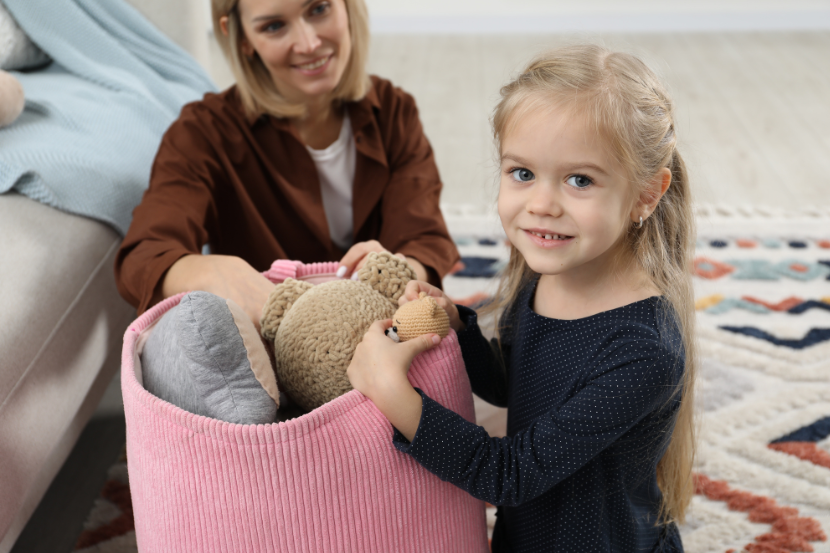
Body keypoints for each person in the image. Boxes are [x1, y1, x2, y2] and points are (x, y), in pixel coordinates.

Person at [347, 44, 697, 552]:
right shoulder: (547, 276)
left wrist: (390, 389)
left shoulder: (644, 351)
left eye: (580, 180)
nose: (540, 205)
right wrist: (456, 324)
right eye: (522, 173)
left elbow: (507, 475)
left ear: (646, 194)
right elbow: (514, 384)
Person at [114, 0, 459, 327]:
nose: (308, 43)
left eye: (319, 8)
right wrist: (210, 272)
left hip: (381, 330)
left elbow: (424, 240)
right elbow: (145, 256)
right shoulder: (202, 132)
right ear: (242, 37)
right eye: (274, 26)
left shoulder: (394, 111)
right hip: (270, 344)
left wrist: (398, 274)